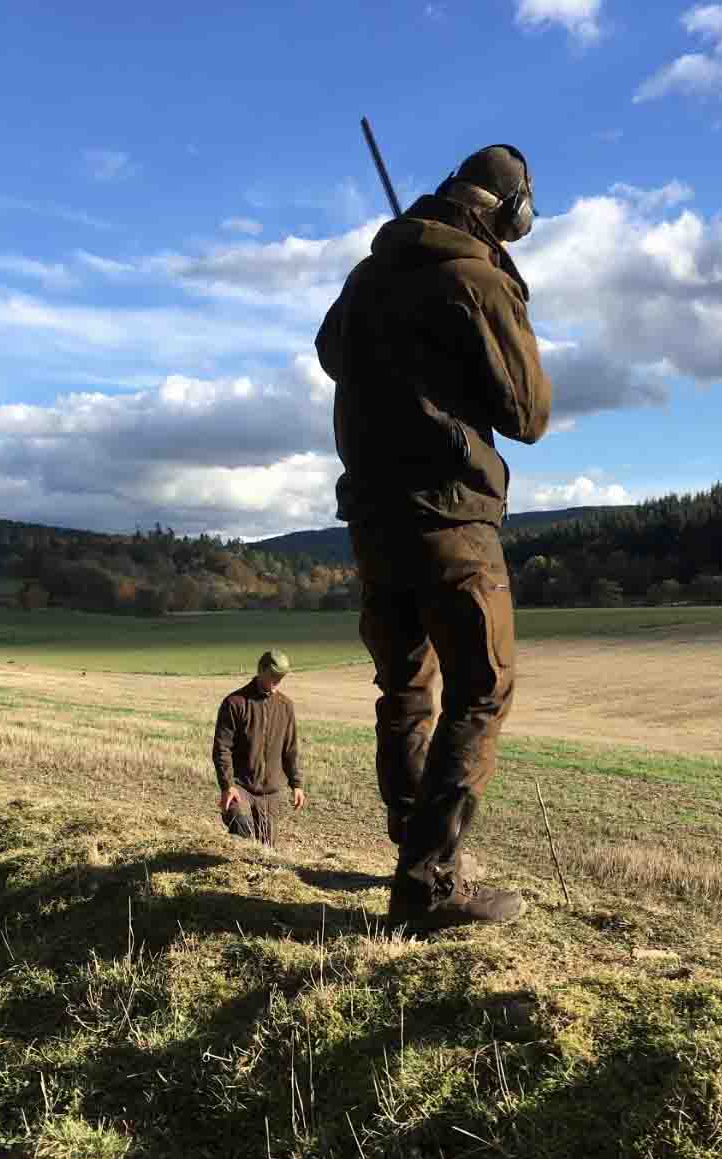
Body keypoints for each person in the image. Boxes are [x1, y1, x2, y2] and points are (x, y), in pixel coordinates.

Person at [314, 143, 552, 933]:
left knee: (405, 690)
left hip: (372, 521)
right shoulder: (477, 280)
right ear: (509, 212)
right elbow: (528, 415)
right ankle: (429, 883)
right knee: (482, 690)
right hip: (450, 517)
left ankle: (411, 850)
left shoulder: (367, 277)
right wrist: (493, 300)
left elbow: (330, 354)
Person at [212, 649, 306, 847]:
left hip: (270, 792)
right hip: (241, 786)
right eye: (273, 676)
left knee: (266, 850)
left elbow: (290, 749)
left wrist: (297, 784)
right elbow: (222, 748)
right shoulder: (235, 703)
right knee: (242, 826)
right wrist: (227, 785)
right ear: (260, 670)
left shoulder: (285, 706)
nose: (277, 682)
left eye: (280, 678)